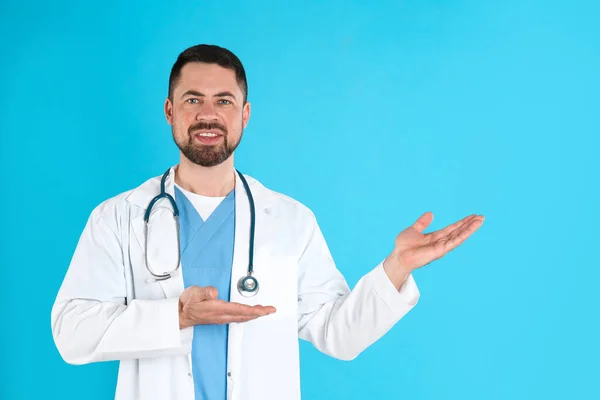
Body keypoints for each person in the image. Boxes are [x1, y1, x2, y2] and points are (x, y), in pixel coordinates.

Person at [51, 44, 484, 400]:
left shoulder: (290, 220)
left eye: (224, 101)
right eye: (192, 100)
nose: (208, 114)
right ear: (169, 110)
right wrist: (175, 317)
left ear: (245, 114)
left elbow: (339, 335)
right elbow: (70, 333)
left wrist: (396, 270)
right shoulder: (119, 217)